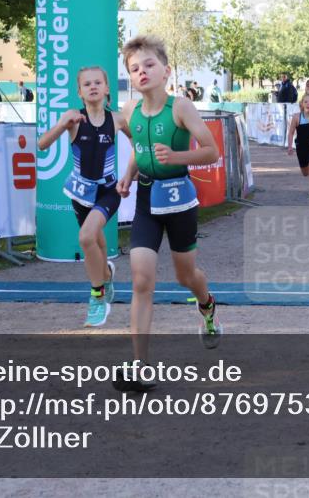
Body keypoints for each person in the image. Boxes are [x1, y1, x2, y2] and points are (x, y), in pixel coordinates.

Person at [116, 35, 223, 390]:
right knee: (141, 280)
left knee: (185, 277)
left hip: (178, 199)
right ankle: (140, 366)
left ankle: (206, 305)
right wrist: (128, 176)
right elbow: (139, 149)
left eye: (149, 65)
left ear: (166, 71)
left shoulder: (181, 108)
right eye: (135, 68)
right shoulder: (130, 111)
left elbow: (210, 152)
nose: (142, 72)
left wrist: (175, 157)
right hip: (147, 200)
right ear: (130, 77)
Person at [38, 66, 126, 328]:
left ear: (107, 88)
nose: (93, 87)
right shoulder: (73, 117)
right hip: (80, 193)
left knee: (86, 237)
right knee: (96, 242)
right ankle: (107, 272)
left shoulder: (118, 120)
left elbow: (139, 146)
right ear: (79, 91)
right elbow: (42, 144)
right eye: (87, 84)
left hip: (108, 191)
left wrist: (133, 174)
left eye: (98, 82)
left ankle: (97, 298)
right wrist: (62, 126)